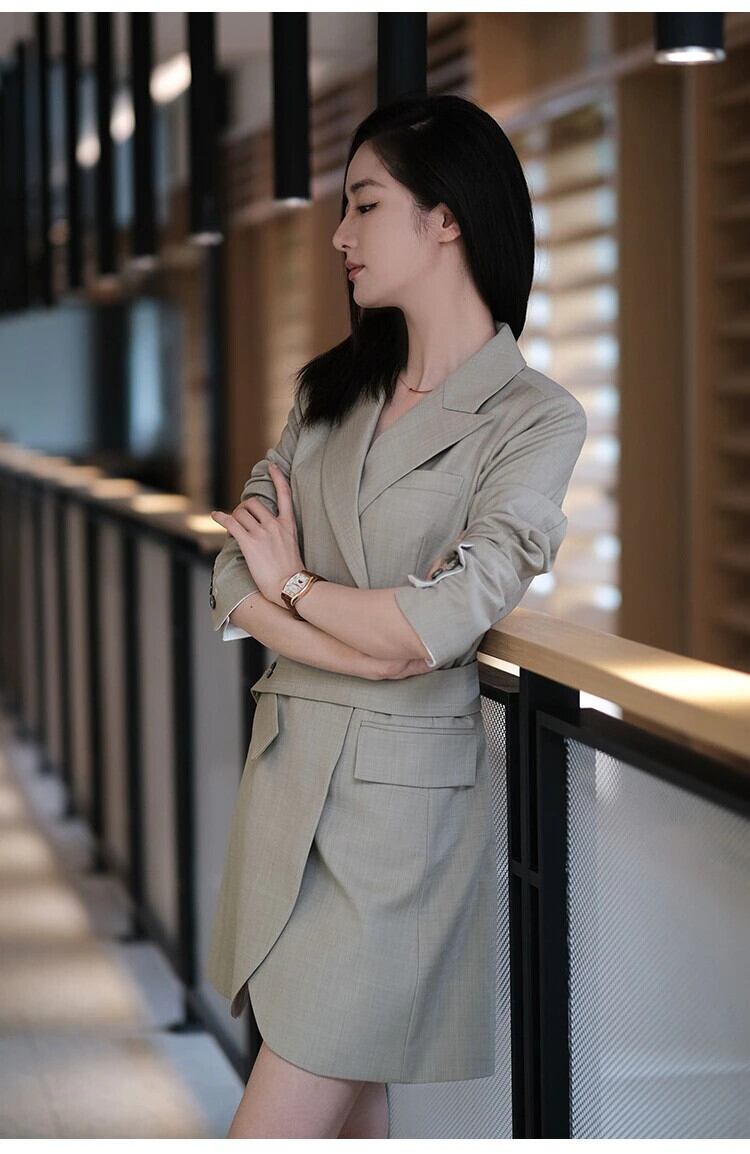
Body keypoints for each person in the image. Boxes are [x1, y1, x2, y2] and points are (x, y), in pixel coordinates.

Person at [207, 92, 587, 1139]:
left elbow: (442, 619)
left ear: (446, 217)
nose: (340, 234)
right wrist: (350, 643)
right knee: (352, 1111)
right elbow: (231, 566)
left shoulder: (534, 417)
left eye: (364, 205)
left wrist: (295, 588)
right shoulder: (331, 393)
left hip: (398, 833)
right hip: (287, 794)